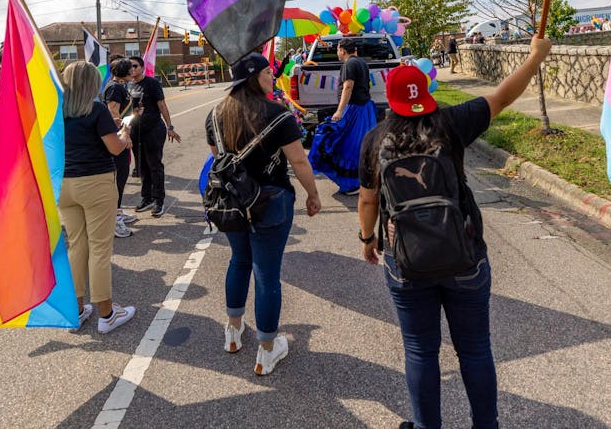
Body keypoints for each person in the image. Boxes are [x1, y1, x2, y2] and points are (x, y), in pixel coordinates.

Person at [357, 38, 551, 429]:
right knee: (475, 349)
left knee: (420, 351)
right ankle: (486, 425)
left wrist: (368, 240)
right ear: (425, 95)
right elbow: (502, 97)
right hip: (464, 252)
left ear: (390, 99)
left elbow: (367, 202)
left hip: (405, 261)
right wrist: (535, 57)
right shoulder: (448, 124)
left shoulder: (375, 140)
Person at [205, 53, 322, 376]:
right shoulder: (278, 115)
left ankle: (232, 330)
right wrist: (313, 194)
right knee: (267, 274)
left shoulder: (214, 115)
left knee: (239, 261)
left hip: (232, 203)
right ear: (255, 77)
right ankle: (267, 349)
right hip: (271, 202)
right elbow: (299, 162)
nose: (273, 77)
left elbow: (219, 161)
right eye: (269, 73)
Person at [58, 61, 137, 334]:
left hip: (64, 185)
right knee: (100, 249)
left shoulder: (57, 111)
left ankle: (76, 309)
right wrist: (124, 133)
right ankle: (107, 313)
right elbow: (115, 149)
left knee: (77, 246)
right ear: (92, 83)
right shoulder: (96, 109)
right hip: (95, 183)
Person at [309, 38, 377, 195]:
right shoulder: (361, 62)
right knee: (356, 145)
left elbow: (348, 87)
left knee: (344, 144)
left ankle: (352, 184)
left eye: (338, 49)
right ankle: (359, 180)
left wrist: (339, 111)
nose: (337, 53)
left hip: (355, 109)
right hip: (363, 107)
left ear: (343, 50)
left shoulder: (349, 64)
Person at [127, 55, 181, 216]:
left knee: (154, 166)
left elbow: (162, 105)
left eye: (135, 66)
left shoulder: (152, 84)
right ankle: (147, 198)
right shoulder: (127, 85)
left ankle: (159, 200)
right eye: (130, 66)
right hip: (135, 132)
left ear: (142, 68)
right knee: (142, 167)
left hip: (153, 130)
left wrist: (170, 126)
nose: (132, 69)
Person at [103, 58, 136, 237]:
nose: (133, 72)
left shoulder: (119, 86)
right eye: (130, 69)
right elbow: (113, 113)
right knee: (119, 176)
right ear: (124, 71)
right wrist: (126, 135)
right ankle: (114, 218)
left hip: (122, 134)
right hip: (118, 138)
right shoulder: (115, 88)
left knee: (122, 176)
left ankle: (118, 211)